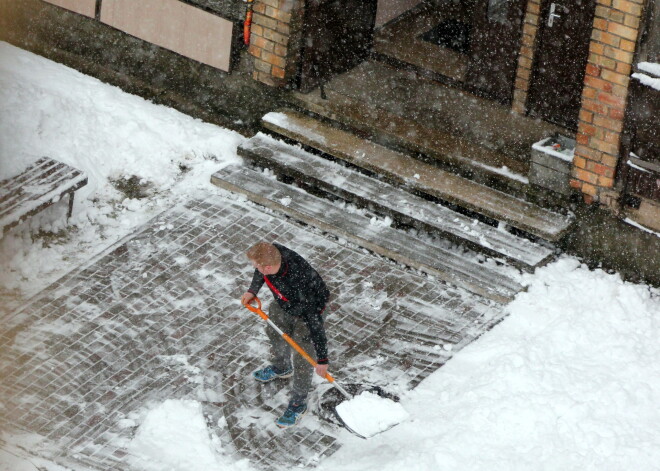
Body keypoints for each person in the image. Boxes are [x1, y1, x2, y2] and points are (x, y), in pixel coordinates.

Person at [241, 242, 330, 428]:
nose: (255, 269)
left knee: (303, 357)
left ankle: (298, 402)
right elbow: (260, 272)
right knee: (274, 332)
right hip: (285, 303)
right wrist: (252, 290)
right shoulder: (272, 253)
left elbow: (316, 326)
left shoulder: (301, 282)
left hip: (307, 311)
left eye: (257, 266)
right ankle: (282, 367)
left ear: (268, 267)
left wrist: (322, 359)